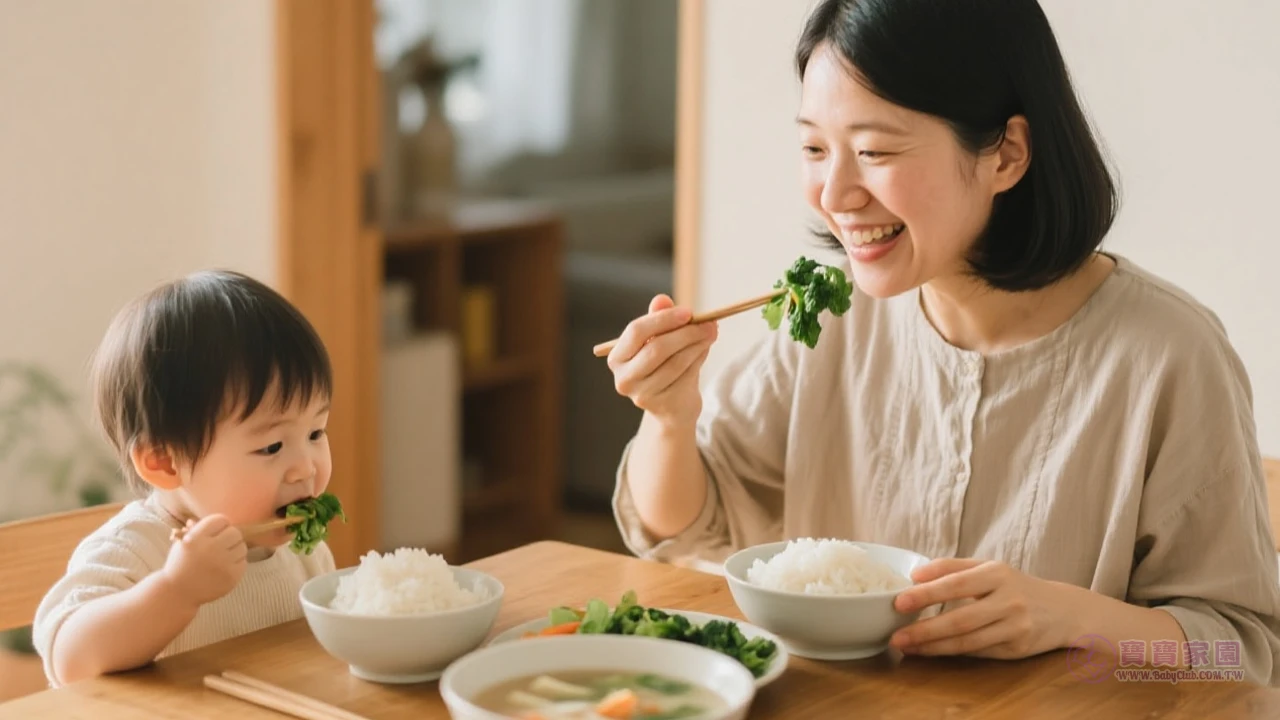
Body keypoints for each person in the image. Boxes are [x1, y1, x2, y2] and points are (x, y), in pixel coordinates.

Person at [606, 0, 1280, 687]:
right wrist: (669, 419)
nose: (834, 194)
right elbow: (679, 532)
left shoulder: (1170, 355)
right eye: (814, 147)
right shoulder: (827, 323)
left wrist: (1070, 618)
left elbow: (1244, 653)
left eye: (874, 151)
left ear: (1006, 154)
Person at [33, 270, 338, 686]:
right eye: (271, 447)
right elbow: (69, 658)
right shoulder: (137, 548)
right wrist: (177, 591)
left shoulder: (304, 553)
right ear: (164, 462)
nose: (307, 467)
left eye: (315, 433)